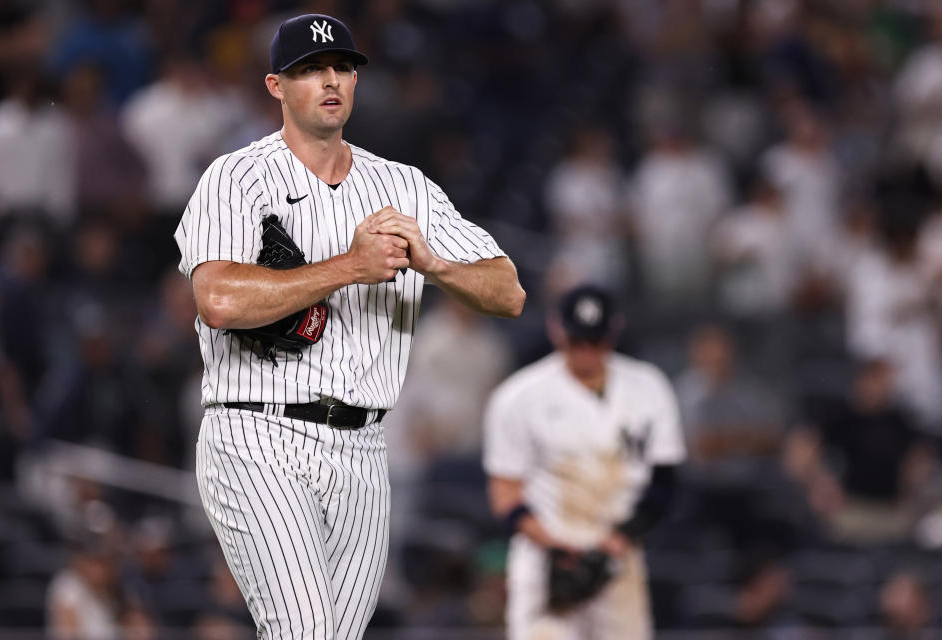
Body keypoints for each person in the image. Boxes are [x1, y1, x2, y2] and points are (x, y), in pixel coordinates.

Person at [173, 14, 525, 640]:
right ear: (276, 86)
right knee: (305, 630)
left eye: (342, 67)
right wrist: (348, 267)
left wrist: (435, 263)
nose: (330, 80)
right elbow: (217, 300)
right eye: (310, 70)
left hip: (365, 449)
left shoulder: (404, 187)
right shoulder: (237, 179)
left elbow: (509, 292)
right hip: (259, 433)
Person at [483, 284, 685, 640]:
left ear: (614, 332)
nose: (588, 351)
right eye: (578, 341)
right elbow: (505, 491)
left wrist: (622, 538)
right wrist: (556, 547)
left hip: (621, 555)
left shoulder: (649, 387)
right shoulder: (518, 396)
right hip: (546, 557)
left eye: (597, 340)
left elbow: (664, 480)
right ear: (556, 330)